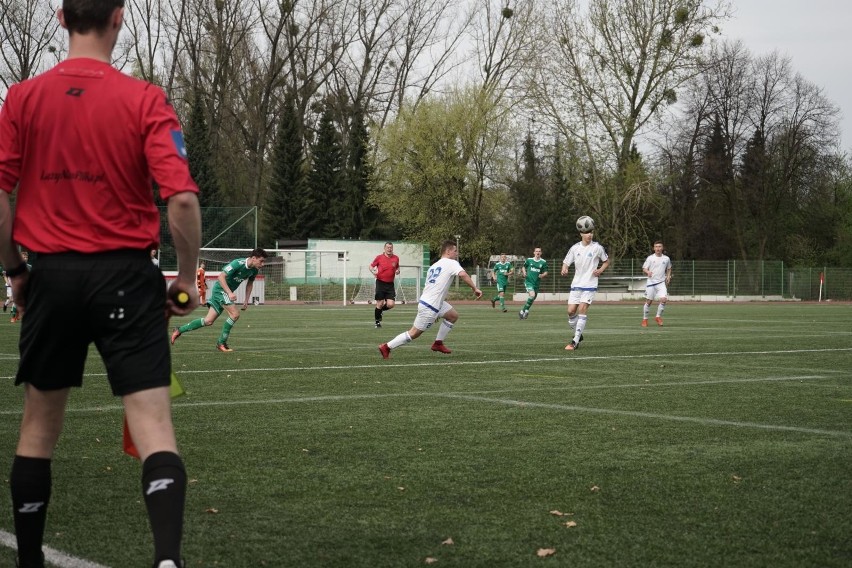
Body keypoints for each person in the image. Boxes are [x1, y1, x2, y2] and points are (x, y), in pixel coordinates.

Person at [0, 0, 202, 565]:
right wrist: (184, 279)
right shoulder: (143, 98)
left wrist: (15, 269)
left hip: (51, 275)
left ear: (61, 19)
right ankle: (167, 559)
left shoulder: (21, 97)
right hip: (126, 275)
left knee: (38, 428)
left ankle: (30, 560)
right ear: (119, 17)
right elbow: (181, 199)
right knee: (154, 425)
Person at [378, 240, 482, 358]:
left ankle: (438, 343)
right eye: (455, 250)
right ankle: (386, 347)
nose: (457, 253)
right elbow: (463, 274)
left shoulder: (434, 265)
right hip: (431, 306)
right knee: (414, 333)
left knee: (453, 316)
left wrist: (436, 310)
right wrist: (475, 288)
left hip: (431, 303)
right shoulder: (451, 263)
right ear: (448, 251)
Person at [171, 249, 268, 352]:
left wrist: (246, 300)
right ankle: (221, 343)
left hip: (224, 292)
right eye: (261, 261)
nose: (263, 264)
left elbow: (250, 284)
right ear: (254, 258)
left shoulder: (254, 270)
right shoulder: (237, 263)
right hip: (220, 290)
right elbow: (221, 277)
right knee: (235, 314)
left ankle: (179, 330)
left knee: (208, 321)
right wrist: (229, 293)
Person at [561, 224, 610, 351]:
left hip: (590, 284)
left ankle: (575, 341)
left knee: (582, 309)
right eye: (587, 232)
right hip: (576, 284)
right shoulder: (575, 248)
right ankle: (579, 333)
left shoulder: (597, 248)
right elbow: (566, 262)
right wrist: (564, 269)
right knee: (571, 311)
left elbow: (606, 261)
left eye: (591, 232)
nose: (590, 235)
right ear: (581, 234)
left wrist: (600, 270)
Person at [642, 240, 672, 327]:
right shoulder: (650, 258)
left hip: (661, 283)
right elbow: (644, 268)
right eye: (656, 247)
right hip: (651, 282)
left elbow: (669, 268)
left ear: (662, 248)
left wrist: (668, 276)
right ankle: (645, 319)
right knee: (649, 301)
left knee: (663, 299)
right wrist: (648, 272)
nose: (658, 248)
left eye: (659, 246)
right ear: (653, 248)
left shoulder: (666, 258)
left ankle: (658, 317)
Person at [370, 241, 400, 328]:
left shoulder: (396, 258)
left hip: (390, 284)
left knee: (391, 304)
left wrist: (398, 271)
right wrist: (373, 271)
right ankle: (377, 322)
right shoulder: (379, 257)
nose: (389, 249)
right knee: (380, 302)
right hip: (380, 283)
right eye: (388, 247)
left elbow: (397, 267)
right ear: (385, 248)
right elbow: (371, 266)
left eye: (391, 247)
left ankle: (380, 311)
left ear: (392, 248)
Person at [518, 247, 548, 319]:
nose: (538, 252)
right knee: (532, 295)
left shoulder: (543, 262)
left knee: (533, 298)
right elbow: (523, 267)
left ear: (541, 253)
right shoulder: (529, 260)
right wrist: (524, 272)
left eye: (539, 251)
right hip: (528, 281)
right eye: (536, 251)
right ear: (534, 252)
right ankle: (523, 312)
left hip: (536, 284)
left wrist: (543, 275)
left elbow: (546, 272)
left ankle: (525, 310)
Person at [8, 251, 30, 322]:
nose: (25, 258)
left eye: (26, 257)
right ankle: (13, 317)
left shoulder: (30, 267)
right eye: (23, 257)